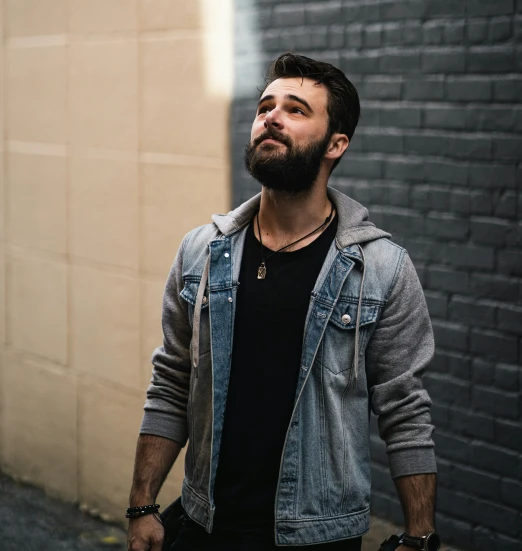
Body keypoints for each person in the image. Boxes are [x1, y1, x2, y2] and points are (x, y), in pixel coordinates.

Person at [127, 53, 440, 551]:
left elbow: (404, 411)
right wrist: (142, 504)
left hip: (318, 536)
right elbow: (171, 382)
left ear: (336, 143)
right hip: (204, 524)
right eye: (265, 106)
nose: (270, 117)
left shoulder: (381, 270)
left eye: (295, 109)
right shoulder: (202, 254)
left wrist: (420, 534)